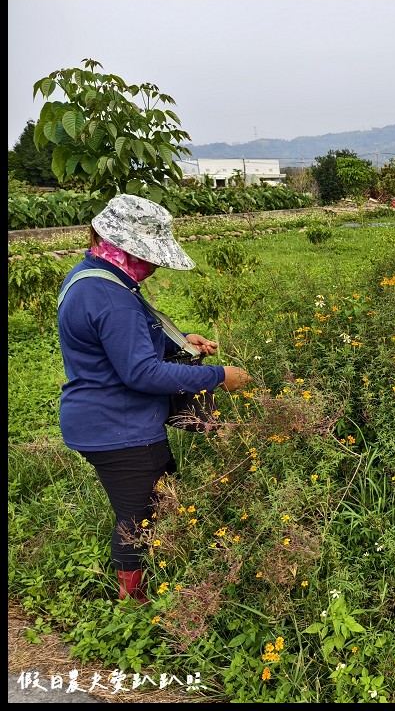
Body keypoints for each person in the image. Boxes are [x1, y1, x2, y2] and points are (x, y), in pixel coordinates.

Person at [56, 194, 254, 604]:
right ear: (128, 248)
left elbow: (120, 348)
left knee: (159, 501)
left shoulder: (91, 277)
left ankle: (159, 577)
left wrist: (181, 343)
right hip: (119, 429)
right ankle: (135, 603)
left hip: (106, 419)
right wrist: (217, 377)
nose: (156, 265)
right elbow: (141, 372)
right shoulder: (111, 297)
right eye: (151, 255)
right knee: (138, 518)